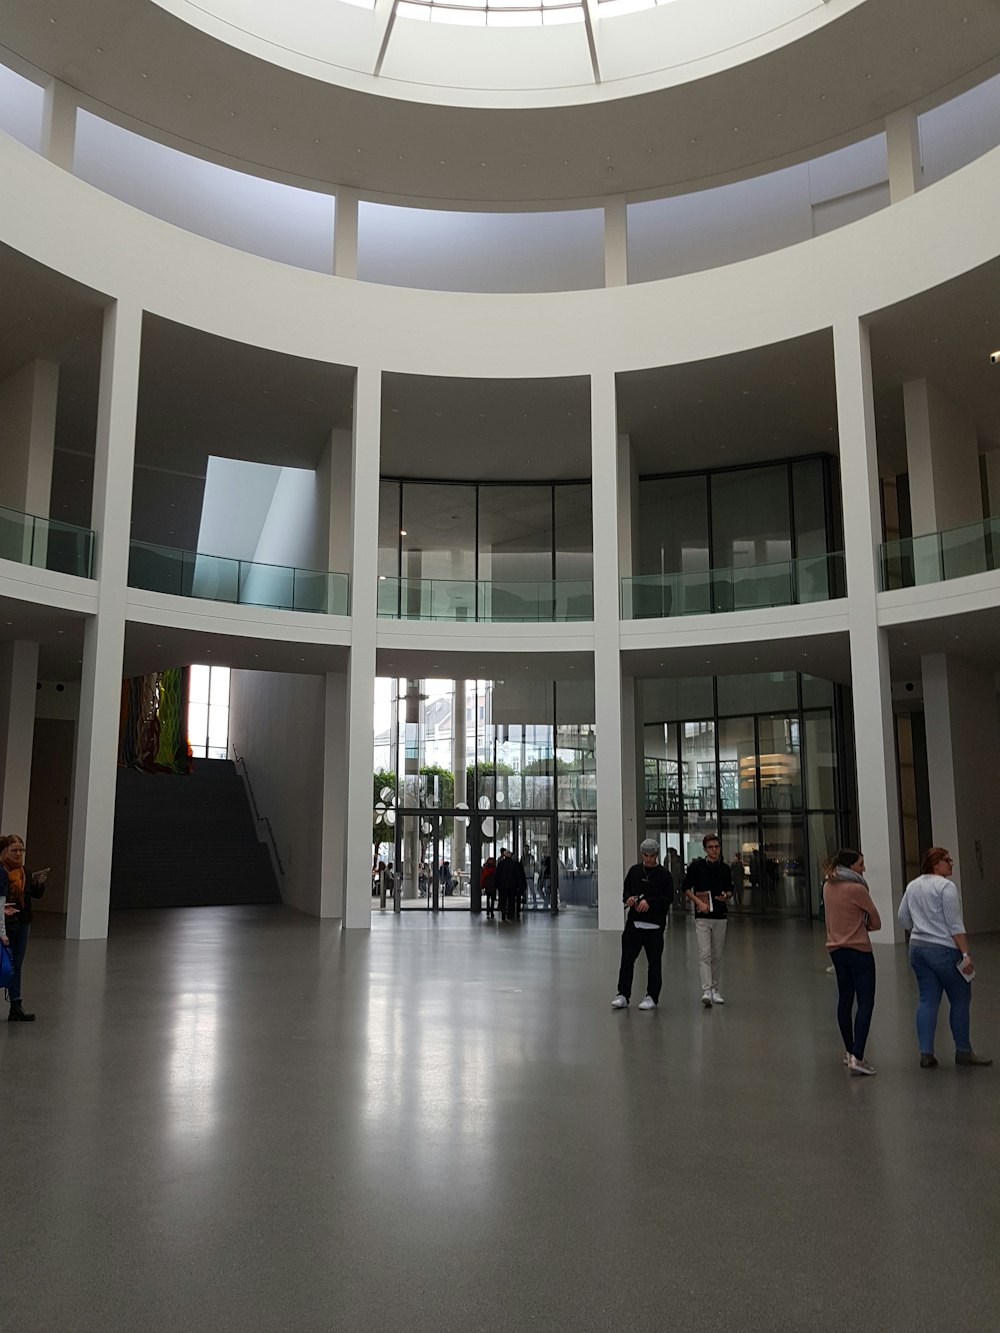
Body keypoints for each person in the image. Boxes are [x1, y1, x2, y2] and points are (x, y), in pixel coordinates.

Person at [898, 847, 992, 1069]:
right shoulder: (946, 887)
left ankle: (926, 1053)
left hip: (918, 948)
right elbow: (954, 925)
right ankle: (963, 1051)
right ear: (934, 864)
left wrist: (919, 930)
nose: (951, 863)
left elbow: (903, 917)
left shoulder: (913, 885)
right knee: (960, 998)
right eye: (946, 860)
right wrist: (966, 955)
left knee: (927, 999)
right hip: (944, 949)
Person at [823, 848, 881, 1075]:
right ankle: (858, 1055)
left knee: (845, 999)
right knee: (866, 1001)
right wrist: (864, 927)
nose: (863, 868)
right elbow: (875, 920)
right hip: (859, 948)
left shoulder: (827, 886)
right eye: (860, 864)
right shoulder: (857, 888)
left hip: (836, 948)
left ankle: (849, 1052)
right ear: (850, 866)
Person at [611, 839, 672, 1010]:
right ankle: (622, 994)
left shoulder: (664, 875)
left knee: (654, 963)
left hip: (655, 927)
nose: (649, 859)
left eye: (652, 856)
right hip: (634, 925)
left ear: (657, 855)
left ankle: (652, 996)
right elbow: (626, 891)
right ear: (641, 854)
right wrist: (629, 899)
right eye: (646, 855)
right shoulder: (634, 871)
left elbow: (668, 898)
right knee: (627, 960)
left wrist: (649, 902)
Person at [1, 833, 48, 1023]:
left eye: (21, 850)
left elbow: (33, 895)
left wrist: (38, 883)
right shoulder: (2, 871)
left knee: (16, 965)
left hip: (22, 921)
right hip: (5, 923)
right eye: (14, 850)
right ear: (6, 851)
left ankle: (16, 1005)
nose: (18, 854)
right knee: (4, 963)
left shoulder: (24, 872)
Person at [683, 833, 734, 1007]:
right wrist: (698, 902)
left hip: (720, 915)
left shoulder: (725, 869)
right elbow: (686, 888)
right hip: (702, 916)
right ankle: (706, 989)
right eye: (711, 847)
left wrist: (725, 895)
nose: (714, 850)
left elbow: (730, 890)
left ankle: (715, 988)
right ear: (705, 849)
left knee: (717, 954)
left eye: (717, 846)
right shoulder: (696, 867)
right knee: (704, 953)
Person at [494, 848, 519, 922]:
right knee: (511, 900)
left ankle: (503, 912)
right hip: (512, 886)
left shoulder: (501, 864)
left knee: (503, 899)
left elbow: (497, 875)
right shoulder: (514, 864)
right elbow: (516, 876)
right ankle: (510, 914)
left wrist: (496, 884)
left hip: (502, 886)